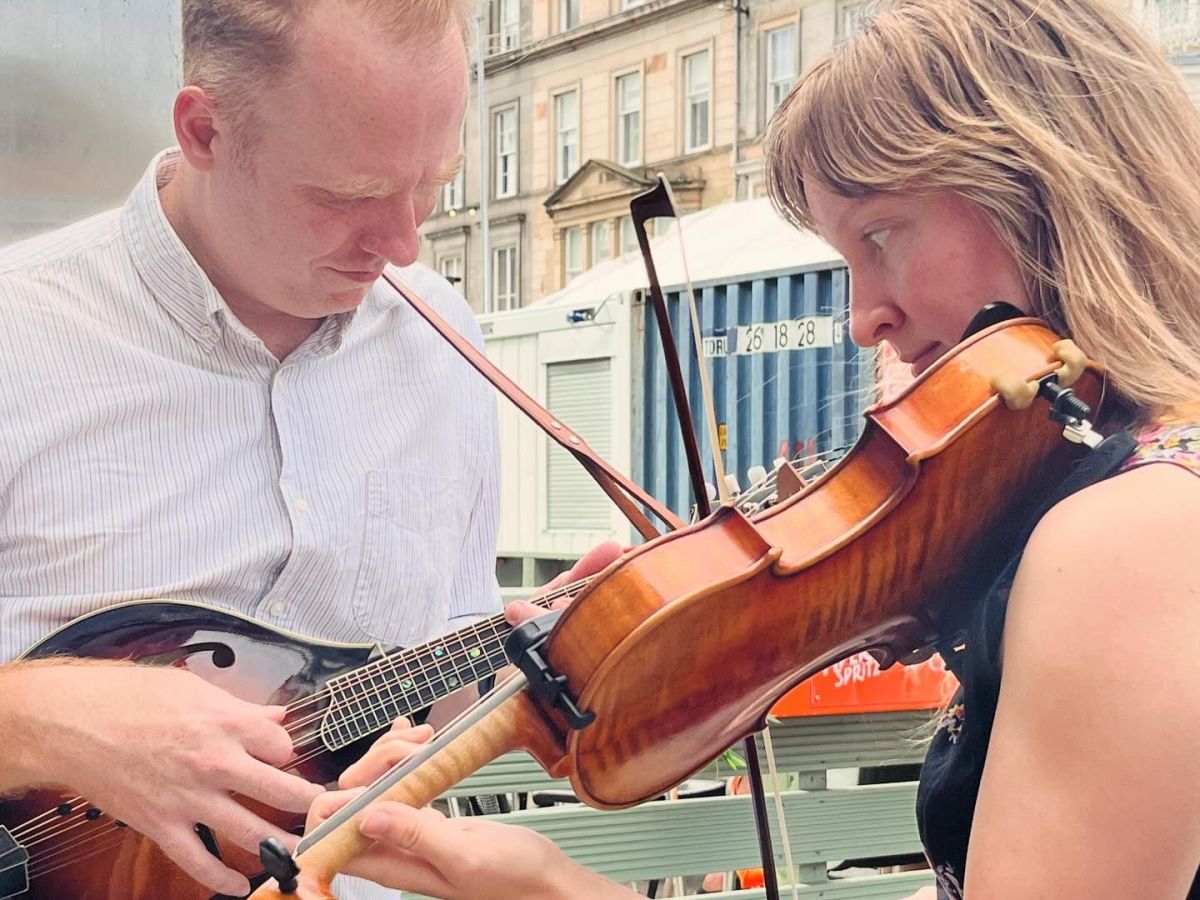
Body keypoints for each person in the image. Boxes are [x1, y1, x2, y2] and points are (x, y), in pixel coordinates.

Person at [305, 0, 1200, 897]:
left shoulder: (1130, 540)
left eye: (880, 234)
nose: (862, 323)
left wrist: (551, 889)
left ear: (1042, 186)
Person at [0, 1, 501, 897]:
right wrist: (35, 720)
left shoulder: (444, 339)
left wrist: (563, 660)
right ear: (204, 129)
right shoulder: (16, 336)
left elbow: (455, 651)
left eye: (433, 184)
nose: (403, 243)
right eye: (348, 196)